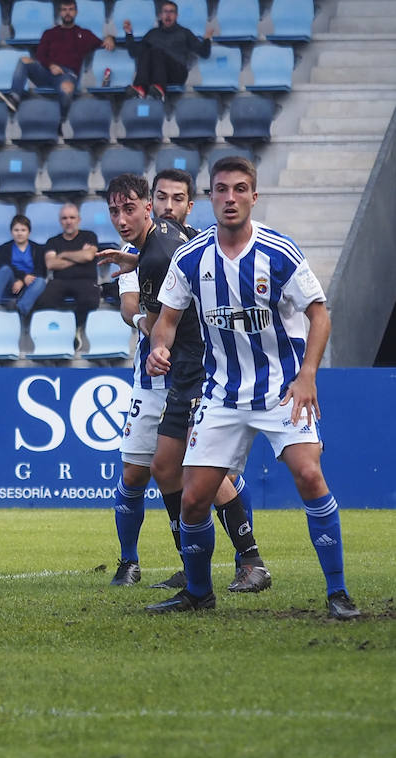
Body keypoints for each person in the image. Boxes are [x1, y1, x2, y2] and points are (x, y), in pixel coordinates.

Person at [142, 156, 359, 619]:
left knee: (309, 475)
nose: (230, 198)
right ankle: (199, 593)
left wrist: (307, 377)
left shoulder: (278, 252)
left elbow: (319, 315)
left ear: (253, 197)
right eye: (222, 190)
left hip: (282, 390)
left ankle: (338, 593)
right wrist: (158, 347)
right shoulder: (192, 257)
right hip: (221, 394)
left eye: (240, 189)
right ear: (211, 198)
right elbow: (166, 322)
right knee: (195, 497)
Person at [99, 173, 266, 593]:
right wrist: (135, 264)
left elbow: (157, 320)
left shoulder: (159, 253)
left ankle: (250, 561)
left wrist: (155, 342)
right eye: (115, 211)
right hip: (180, 369)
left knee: (201, 472)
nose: (122, 219)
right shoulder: (163, 241)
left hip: (196, 367)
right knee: (162, 467)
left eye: (129, 209)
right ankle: (191, 570)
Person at [0, 0, 115, 114]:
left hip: (67, 75)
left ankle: (62, 119)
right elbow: (40, 55)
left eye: (70, 10)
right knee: (24, 60)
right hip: (46, 71)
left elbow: (103, 42)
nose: (67, 13)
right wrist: (51, 65)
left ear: (76, 12)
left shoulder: (84, 34)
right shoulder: (49, 33)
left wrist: (110, 37)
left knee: (67, 88)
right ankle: (14, 99)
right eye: (64, 10)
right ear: (60, 12)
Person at [123, 0, 213, 99]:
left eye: (171, 12)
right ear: (161, 15)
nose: (168, 15)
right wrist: (129, 34)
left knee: (157, 51)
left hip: (177, 74)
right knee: (146, 51)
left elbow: (204, 53)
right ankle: (140, 87)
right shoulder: (153, 33)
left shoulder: (184, 32)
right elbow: (134, 52)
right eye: (165, 12)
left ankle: (159, 88)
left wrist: (207, 39)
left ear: (176, 16)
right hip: (157, 74)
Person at [32, 203, 101, 327]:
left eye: (72, 217)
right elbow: (50, 263)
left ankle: (78, 329)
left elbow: (88, 256)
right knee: (44, 300)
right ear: (60, 221)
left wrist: (63, 254)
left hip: (86, 281)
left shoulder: (89, 236)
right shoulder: (53, 241)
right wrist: (79, 257)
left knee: (90, 300)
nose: (68, 221)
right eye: (64, 218)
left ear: (78, 220)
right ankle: (55, 330)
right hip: (60, 282)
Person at [0, 213, 47, 317]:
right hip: (11, 284)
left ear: (29, 232)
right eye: (16, 230)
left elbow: (41, 271)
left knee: (40, 281)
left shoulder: (38, 249)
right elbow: (4, 265)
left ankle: (19, 309)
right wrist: (22, 277)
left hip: (30, 285)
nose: (19, 233)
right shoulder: (5, 248)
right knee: (5, 269)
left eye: (23, 230)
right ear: (11, 232)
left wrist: (23, 281)